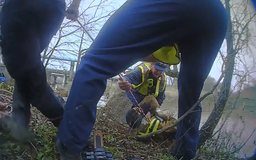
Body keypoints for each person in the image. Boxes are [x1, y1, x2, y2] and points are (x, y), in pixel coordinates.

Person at [56, 0, 228, 159]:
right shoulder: (141, 71)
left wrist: (151, 110)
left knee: (94, 64)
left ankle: (70, 144)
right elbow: (134, 67)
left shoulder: (162, 80)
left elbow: (159, 97)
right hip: (215, 15)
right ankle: (185, 153)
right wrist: (126, 85)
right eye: (157, 67)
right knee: (191, 94)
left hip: (205, 13)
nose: (159, 71)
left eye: (161, 69)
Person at [0, 0, 67, 141]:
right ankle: (19, 122)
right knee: (27, 62)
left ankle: (67, 126)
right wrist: (75, 5)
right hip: (54, 7)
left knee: (26, 67)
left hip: (26, 6)